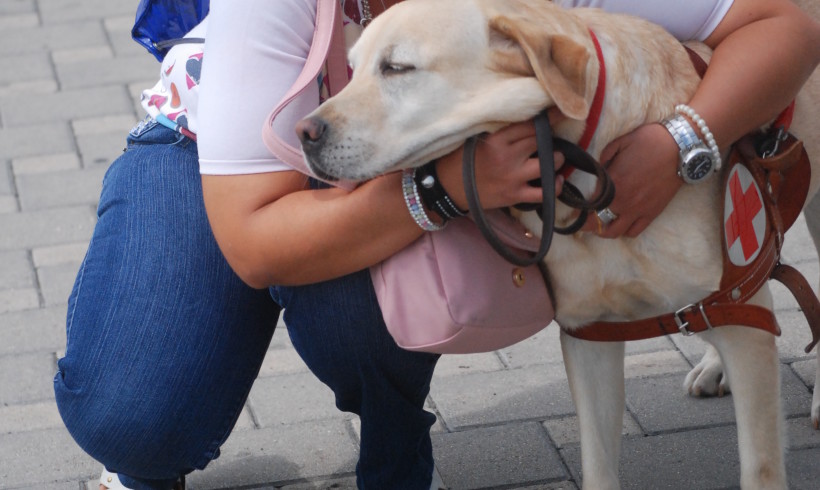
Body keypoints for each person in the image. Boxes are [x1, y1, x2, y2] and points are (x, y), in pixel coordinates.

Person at [54, 1, 820, 490]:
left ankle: (396, 456)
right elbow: (255, 238)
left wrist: (681, 137)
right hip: (212, 165)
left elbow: (789, 18)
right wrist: (447, 189)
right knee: (136, 418)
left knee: (366, 313)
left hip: (395, 162)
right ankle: (138, 464)